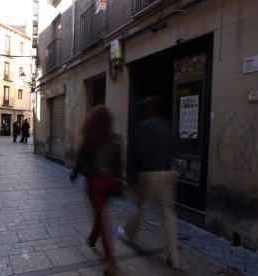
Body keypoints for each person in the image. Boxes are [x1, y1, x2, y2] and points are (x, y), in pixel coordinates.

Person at [117, 95, 179, 270]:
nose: (142, 113)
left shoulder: (143, 127)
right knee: (167, 214)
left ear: (148, 110)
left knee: (141, 205)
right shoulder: (169, 125)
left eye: (143, 110)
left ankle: (128, 233)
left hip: (151, 173)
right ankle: (173, 258)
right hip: (169, 172)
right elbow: (176, 148)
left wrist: (132, 178)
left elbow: (140, 153)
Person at [70, 106, 122, 275]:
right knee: (101, 216)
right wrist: (119, 182)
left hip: (94, 184)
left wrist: (75, 175)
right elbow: (118, 165)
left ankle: (110, 261)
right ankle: (93, 240)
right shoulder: (114, 140)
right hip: (110, 184)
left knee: (102, 219)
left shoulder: (89, 139)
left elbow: (80, 160)